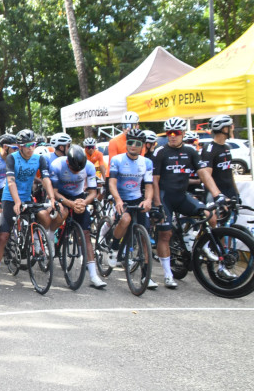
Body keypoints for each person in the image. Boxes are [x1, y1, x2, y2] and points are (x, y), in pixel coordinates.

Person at [152, 117, 227, 288]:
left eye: (176, 133)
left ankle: (203, 245)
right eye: (169, 133)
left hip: (181, 195)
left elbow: (204, 174)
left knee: (210, 215)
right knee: (165, 234)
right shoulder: (160, 152)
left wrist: (217, 194)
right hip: (165, 198)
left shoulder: (191, 151)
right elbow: (154, 181)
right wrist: (158, 204)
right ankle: (168, 273)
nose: (172, 136)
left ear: (183, 134)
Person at [0, 129, 62, 285]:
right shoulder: (12, 158)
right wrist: (17, 201)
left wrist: (51, 198)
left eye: (34, 145)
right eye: (28, 145)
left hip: (27, 197)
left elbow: (45, 179)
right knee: (3, 235)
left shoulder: (39, 159)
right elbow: (10, 181)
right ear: (20, 146)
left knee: (44, 215)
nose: (31, 148)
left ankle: (37, 238)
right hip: (11, 198)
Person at [48, 145, 106, 288]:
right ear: (68, 163)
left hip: (79, 197)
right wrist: (69, 203)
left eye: (79, 170)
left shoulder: (90, 167)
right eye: (74, 170)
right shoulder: (57, 165)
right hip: (61, 196)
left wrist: (84, 202)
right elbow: (53, 192)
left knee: (85, 234)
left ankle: (93, 275)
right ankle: (50, 234)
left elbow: (93, 192)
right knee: (62, 213)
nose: (76, 172)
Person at [105, 128, 155, 288]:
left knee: (144, 236)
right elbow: (111, 182)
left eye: (137, 143)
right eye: (130, 142)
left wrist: (148, 200)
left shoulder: (146, 162)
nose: (133, 146)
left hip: (137, 197)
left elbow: (148, 185)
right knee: (125, 219)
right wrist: (118, 200)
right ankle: (113, 247)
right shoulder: (117, 160)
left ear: (142, 146)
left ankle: (146, 274)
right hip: (121, 196)